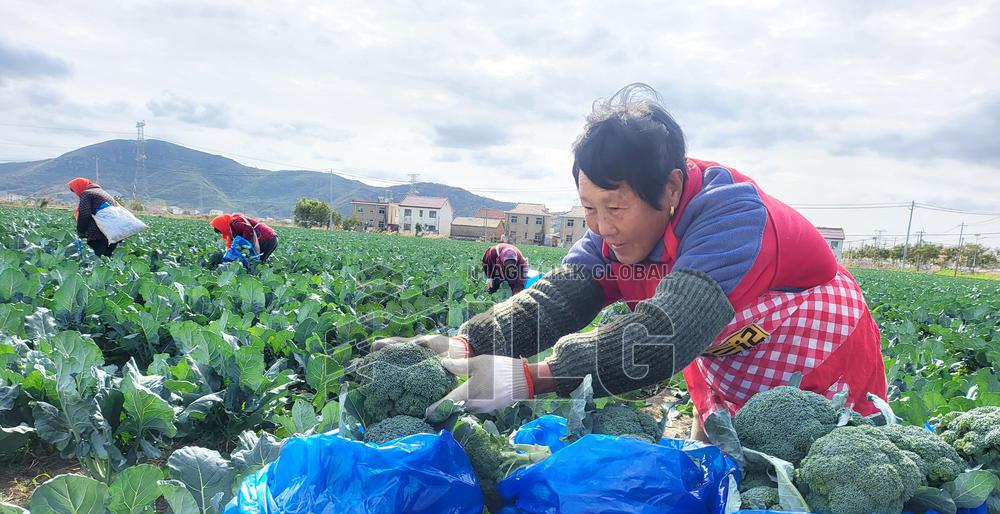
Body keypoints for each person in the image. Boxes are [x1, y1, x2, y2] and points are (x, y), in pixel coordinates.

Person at [377, 84, 887, 440]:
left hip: (818, 350)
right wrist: (466, 341)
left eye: (615, 208)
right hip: (727, 359)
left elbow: (661, 337)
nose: (601, 227)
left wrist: (529, 379)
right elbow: (558, 299)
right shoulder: (614, 236)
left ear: (668, 189)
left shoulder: (730, 215)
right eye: (588, 209)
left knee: (811, 475)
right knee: (729, 474)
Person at [68, 177, 118, 256]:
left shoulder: (87, 194)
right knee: (106, 260)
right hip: (113, 233)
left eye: (74, 190)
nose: (76, 193)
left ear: (79, 187)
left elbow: (84, 214)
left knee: (97, 261)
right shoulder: (101, 192)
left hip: (98, 234)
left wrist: (81, 232)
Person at [210, 213, 278, 263]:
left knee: (258, 262)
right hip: (270, 238)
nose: (222, 233)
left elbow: (248, 229)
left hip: (268, 239)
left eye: (221, 231)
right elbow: (230, 243)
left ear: (222, 226)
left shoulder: (236, 224)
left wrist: (244, 244)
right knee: (258, 261)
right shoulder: (231, 225)